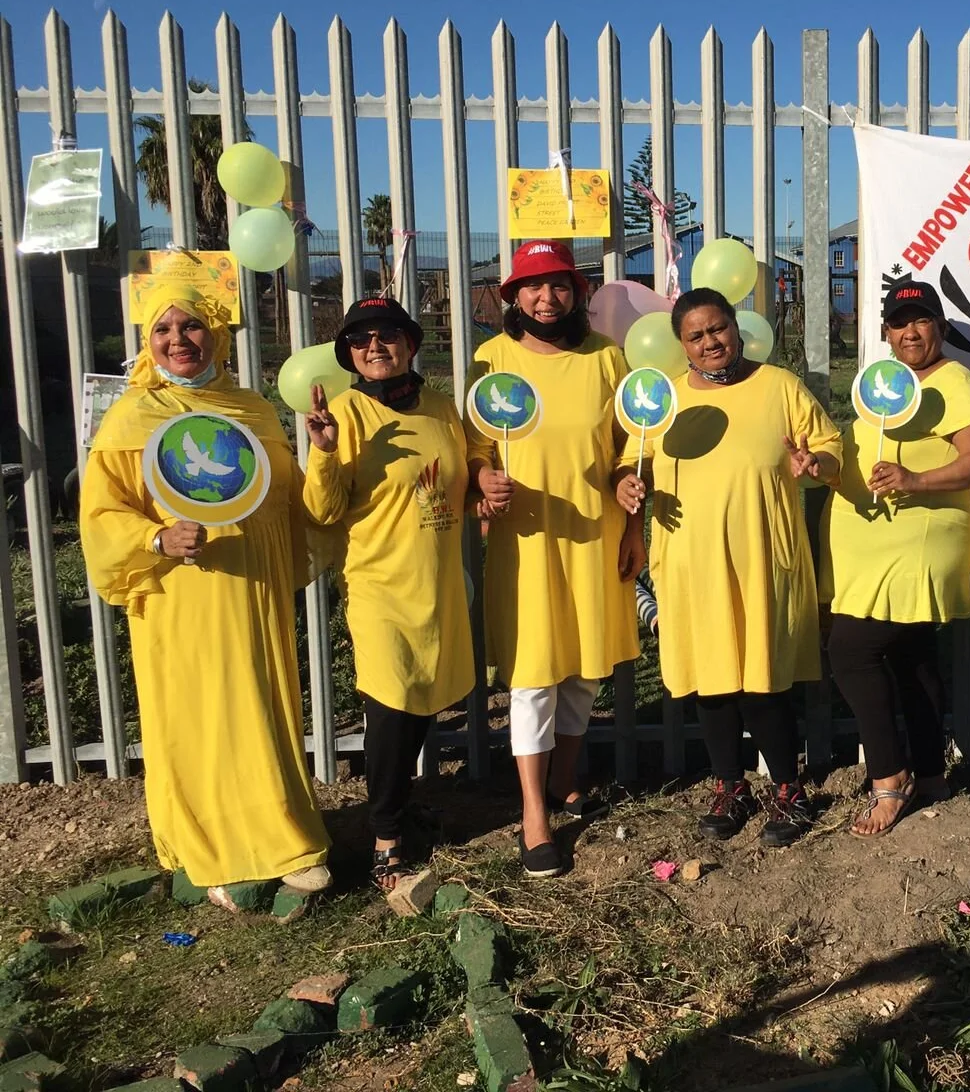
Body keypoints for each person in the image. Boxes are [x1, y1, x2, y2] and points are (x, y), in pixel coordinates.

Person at [79, 287, 331, 904]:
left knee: (262, 705)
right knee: (199, 715)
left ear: (216, 335)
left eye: (191, 326)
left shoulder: (252, 410)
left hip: (255, 590)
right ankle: (212, 848)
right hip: (180, 596)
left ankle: (279, 830)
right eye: (163, 329)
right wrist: (157, 538)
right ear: (148, 340)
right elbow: (101, 514)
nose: (178, 340)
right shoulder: (131, 416)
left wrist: (323, 456)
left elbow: (294, 501)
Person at [615, 288, 841, 847]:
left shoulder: (779, 386)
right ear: (682, 345)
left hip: (763, 556)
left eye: (718, 329)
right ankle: (730, 786)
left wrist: (816, 463)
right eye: (696, 336)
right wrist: (624, 484)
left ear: (735, 328)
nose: (710, 342)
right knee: (710, 679)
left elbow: (833, 452)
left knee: (764, 679)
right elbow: (628, 461)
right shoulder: (661, 401)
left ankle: (789, 790)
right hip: (691, 561)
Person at [467, 240, 643, 878]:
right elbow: (475, 445)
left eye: (560, 285)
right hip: (526, 542)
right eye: (533, 287)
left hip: (595, 534)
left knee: (582, 668)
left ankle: (566, 779)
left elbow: (631, 446)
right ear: (513, 295)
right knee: (535, 674)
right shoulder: (495, 358)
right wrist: (482, 478)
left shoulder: (607, 359)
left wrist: (631, 505)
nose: (547, 298)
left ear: (577, 292)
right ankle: (534, 814)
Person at [301, 296, 473, 892]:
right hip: (378, 584)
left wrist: (488, 489)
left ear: (411, 343)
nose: (374, 346)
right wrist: (323, 453)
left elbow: (464, 478)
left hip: (438, 581)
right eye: (359, 339)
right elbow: (321, 511)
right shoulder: (343, 415)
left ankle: (402, 807)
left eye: (387, 335)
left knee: (423, 699)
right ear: (348, 354)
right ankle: (385, 839)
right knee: (391, 708)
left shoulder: (442, 409)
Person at [821, 281, 970, 836]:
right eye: (901, 323)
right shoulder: (884, 386)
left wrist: (916, 480)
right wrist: (818, 467)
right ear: (885, 334)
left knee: (850, 652)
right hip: (870, 541)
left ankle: (890, 778)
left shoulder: (954, 382)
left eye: (922, 321)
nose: (911, 332)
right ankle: (930, 771)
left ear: (940, 329)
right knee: (911, 656)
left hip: (919, 537)